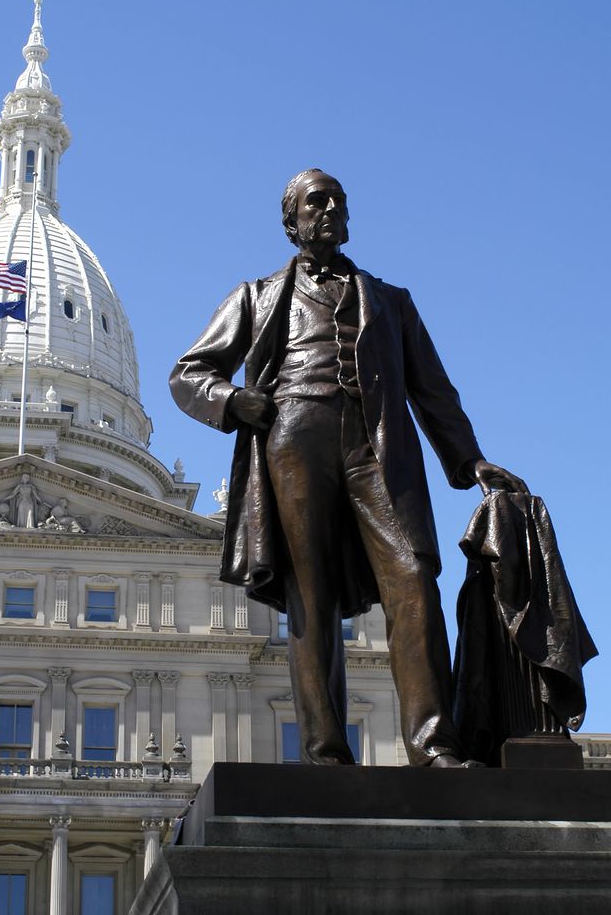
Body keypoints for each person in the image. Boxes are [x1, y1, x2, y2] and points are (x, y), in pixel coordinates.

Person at [170, 168, 528, 768]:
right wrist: (233, 400)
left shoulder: (390, 302)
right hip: (293, 439)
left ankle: (435, 746)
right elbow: (188, 374)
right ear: (293, 220)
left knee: (413, 577)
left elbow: (434, 391)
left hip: (377, 445)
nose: (331, 209)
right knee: (311, 594)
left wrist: (468, 460)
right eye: (317, 201)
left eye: (339, 201)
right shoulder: (256, 296)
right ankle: (327, 754)